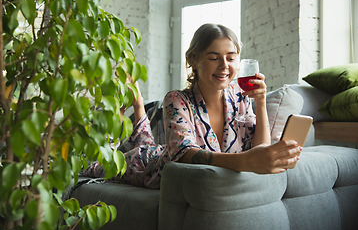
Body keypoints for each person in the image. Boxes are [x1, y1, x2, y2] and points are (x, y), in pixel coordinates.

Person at [83, 23, 302, 189]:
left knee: (146, 144)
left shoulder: (240, 96)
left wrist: (261, 103)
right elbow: (183, 153)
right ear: (193, 60)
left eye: (231, 58)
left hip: (160, 150)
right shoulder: (176, 100)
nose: (224, 66)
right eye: (214, 58)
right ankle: (126, 108)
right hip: (147, 165)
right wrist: (243, 161)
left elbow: (259, 151)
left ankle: (139, 106)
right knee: (94, 166)